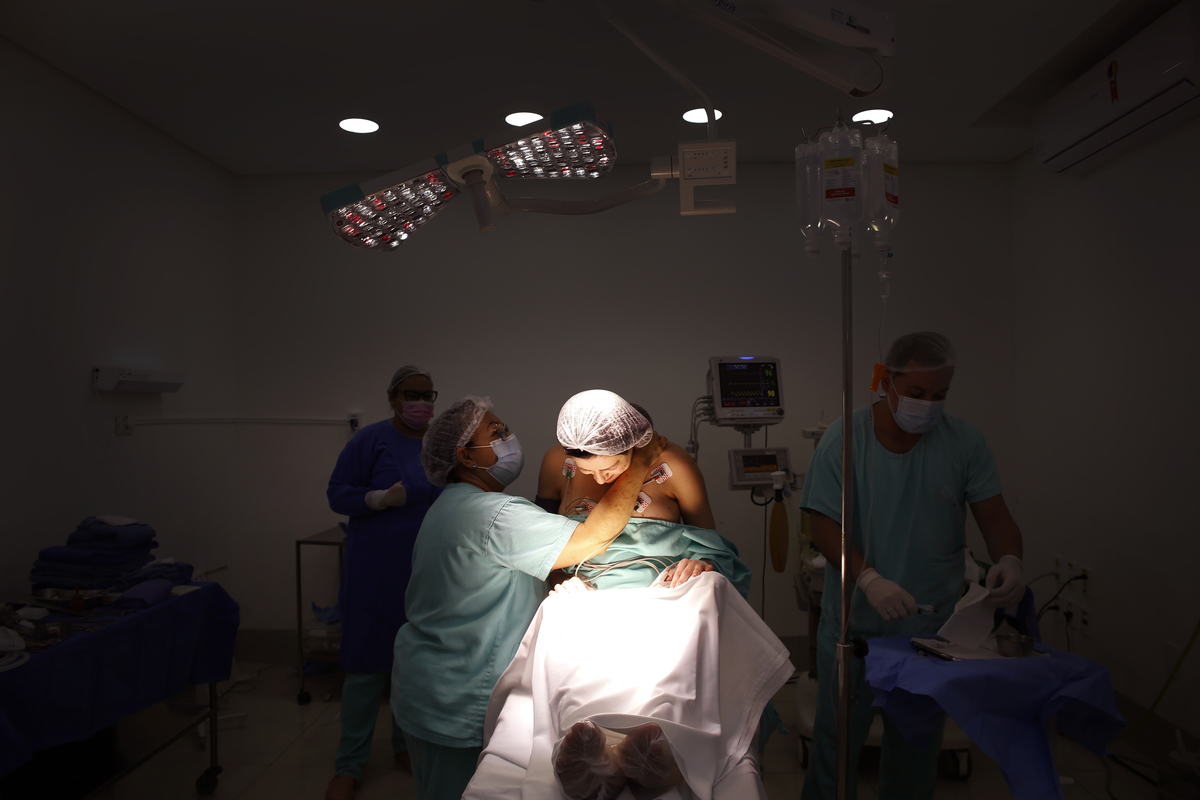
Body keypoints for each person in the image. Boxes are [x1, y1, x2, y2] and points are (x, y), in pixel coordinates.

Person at [390, 396, 666, 800]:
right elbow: (591, 538)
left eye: (505, 428)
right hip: (458, 696)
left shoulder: (450, 505)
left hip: (427, 682)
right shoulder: (492, 514)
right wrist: (640, 463)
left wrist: (561, 581)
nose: (508, 437)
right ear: (465, 456)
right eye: (495, 433)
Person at [798, 332, 1025, 800]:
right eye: (917, 393)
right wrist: (868, 578)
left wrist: (1010, 559)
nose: (929, 405)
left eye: (940, 395)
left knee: (916, 752)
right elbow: (821, 524)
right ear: (886, 381)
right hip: (855, 629)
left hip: (929, 632)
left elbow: (996, 518)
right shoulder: (846, 437)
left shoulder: (963, 443)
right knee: (836, 750)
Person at [324, 366, 442, 800]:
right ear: (393, 397)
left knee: (414, 667)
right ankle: (349, 765)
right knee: (365, 667)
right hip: (374, 569)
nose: (420, 403)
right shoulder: (369, 441)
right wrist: (376, 499)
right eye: (411, 394)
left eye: (427, 395)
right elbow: (337, 493)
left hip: (426, 568)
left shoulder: (440, 445)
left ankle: (404, 746)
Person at [537, 390, 741, 594]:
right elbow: (537, 550)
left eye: (611, 467)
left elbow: (715, 551)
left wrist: (701, 564)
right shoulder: (557, 463)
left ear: (635, 445)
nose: (599, 479)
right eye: (587, 471)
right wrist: (561, 581)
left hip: (661, 596)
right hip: (581, 600)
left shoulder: (675, 465)